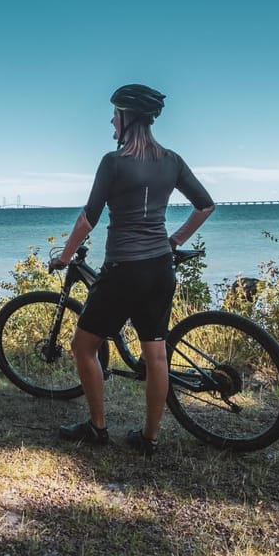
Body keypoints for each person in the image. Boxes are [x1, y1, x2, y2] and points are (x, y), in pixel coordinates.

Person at [49, 84, 215, 457]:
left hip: (124, 268)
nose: (110, 120)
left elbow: (88, 219)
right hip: (160, 267)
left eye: (114, 114)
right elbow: (205, 205)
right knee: (156, 354)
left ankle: (96, 427)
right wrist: (173, 241)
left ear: (127, 118)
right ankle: (149, 438)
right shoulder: (172, 160)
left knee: (82, 345)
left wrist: (64, 257)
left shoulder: (113, 161)